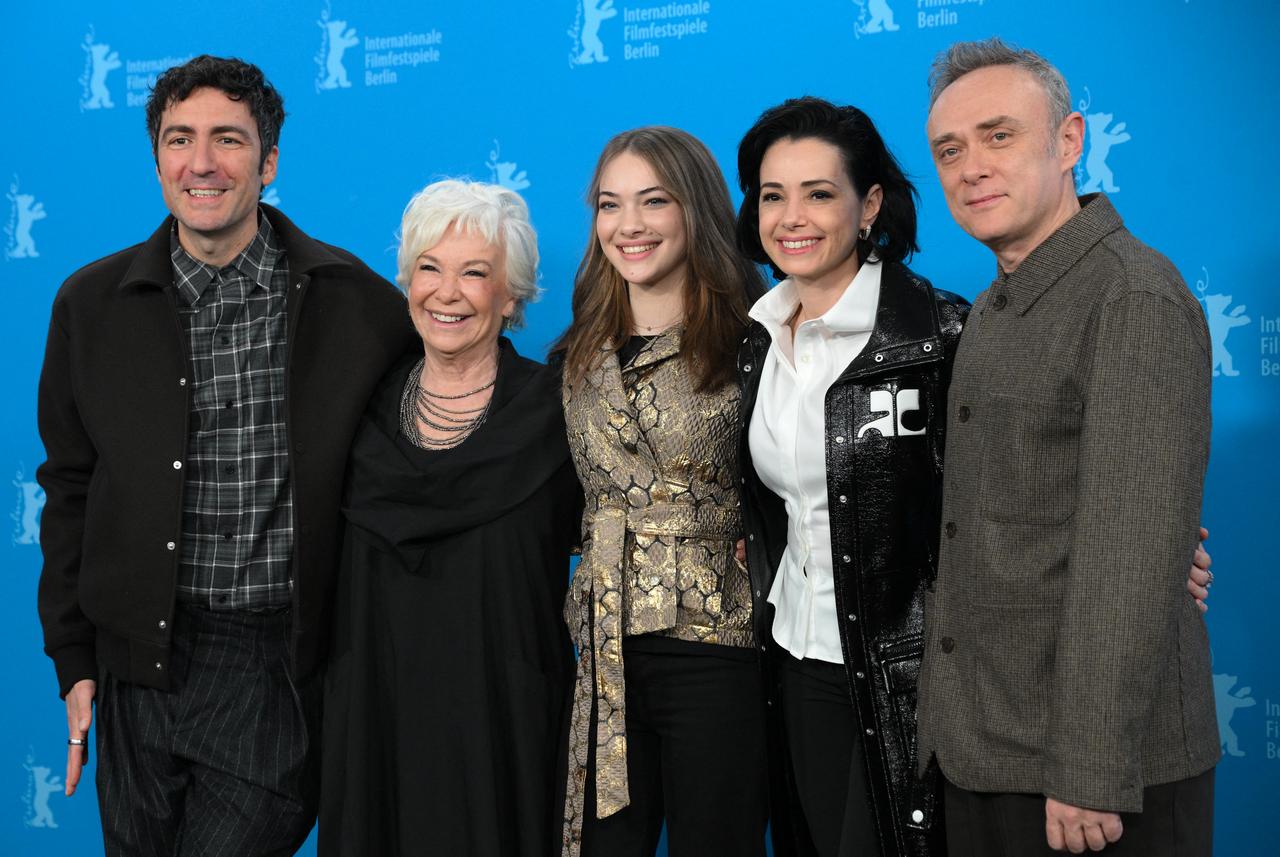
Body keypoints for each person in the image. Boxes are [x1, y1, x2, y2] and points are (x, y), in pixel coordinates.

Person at [35, 55, 416, 855]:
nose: (200, 162)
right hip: (138, 662)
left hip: (274, 666)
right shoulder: (89, 304)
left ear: (269, 161)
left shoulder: (359, 304)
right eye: (180, 139)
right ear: (157, 156)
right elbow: (69, 486)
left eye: (227, 140)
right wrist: (75, 657)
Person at [916, 38, 1218, 856]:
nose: (972, 165)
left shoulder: (1133, 297)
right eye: (950, 149)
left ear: (1070, 142)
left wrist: (1088, 766)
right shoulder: (993, 308)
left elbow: (1127, 556)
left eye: (999, 135)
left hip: (1093, 777)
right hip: (991, 750)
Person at [318, 179, 580, 856]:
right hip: (377, 716)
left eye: (475, 273)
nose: (447, 292)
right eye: (429, 268)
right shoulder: (356, 409)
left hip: (501, 723)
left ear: (512, 294)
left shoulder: (559, 412)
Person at [735, 96, 964, 857]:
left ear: (869, 207)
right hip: (798, 665)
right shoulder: (756, 338)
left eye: (819, 193)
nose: (791, 216)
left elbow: (1015, 489)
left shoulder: (940, 335)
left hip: (910, 679)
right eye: (773, 195)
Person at [554, 127, 770, 857]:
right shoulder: (575, 352)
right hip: (606, 648)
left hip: (719, 640)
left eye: (654, 201)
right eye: (610, 205)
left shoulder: (756, 339)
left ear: (696, 209)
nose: (629, 225)